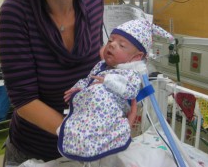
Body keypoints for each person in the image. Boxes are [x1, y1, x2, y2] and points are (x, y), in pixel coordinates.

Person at [0, 0, 106, 165]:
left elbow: (96, 67)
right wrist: (79, 134)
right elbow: (25, 100)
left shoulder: (94, 2)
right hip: (35, 153)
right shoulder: (16, 13)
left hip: (86, 147)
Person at [57, 19, 174, 162]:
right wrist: (79, 87)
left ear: (136, 57)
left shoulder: (131, 74)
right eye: (110, 40)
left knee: (99, 94)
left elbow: (130, 91)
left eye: (121, 45)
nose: (111, 44)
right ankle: (77, 138)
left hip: (110, 112)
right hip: (91, 110)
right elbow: (89, 79)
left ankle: (97, 142)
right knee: (88, 105)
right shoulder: (101, 65)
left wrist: (107, 81)